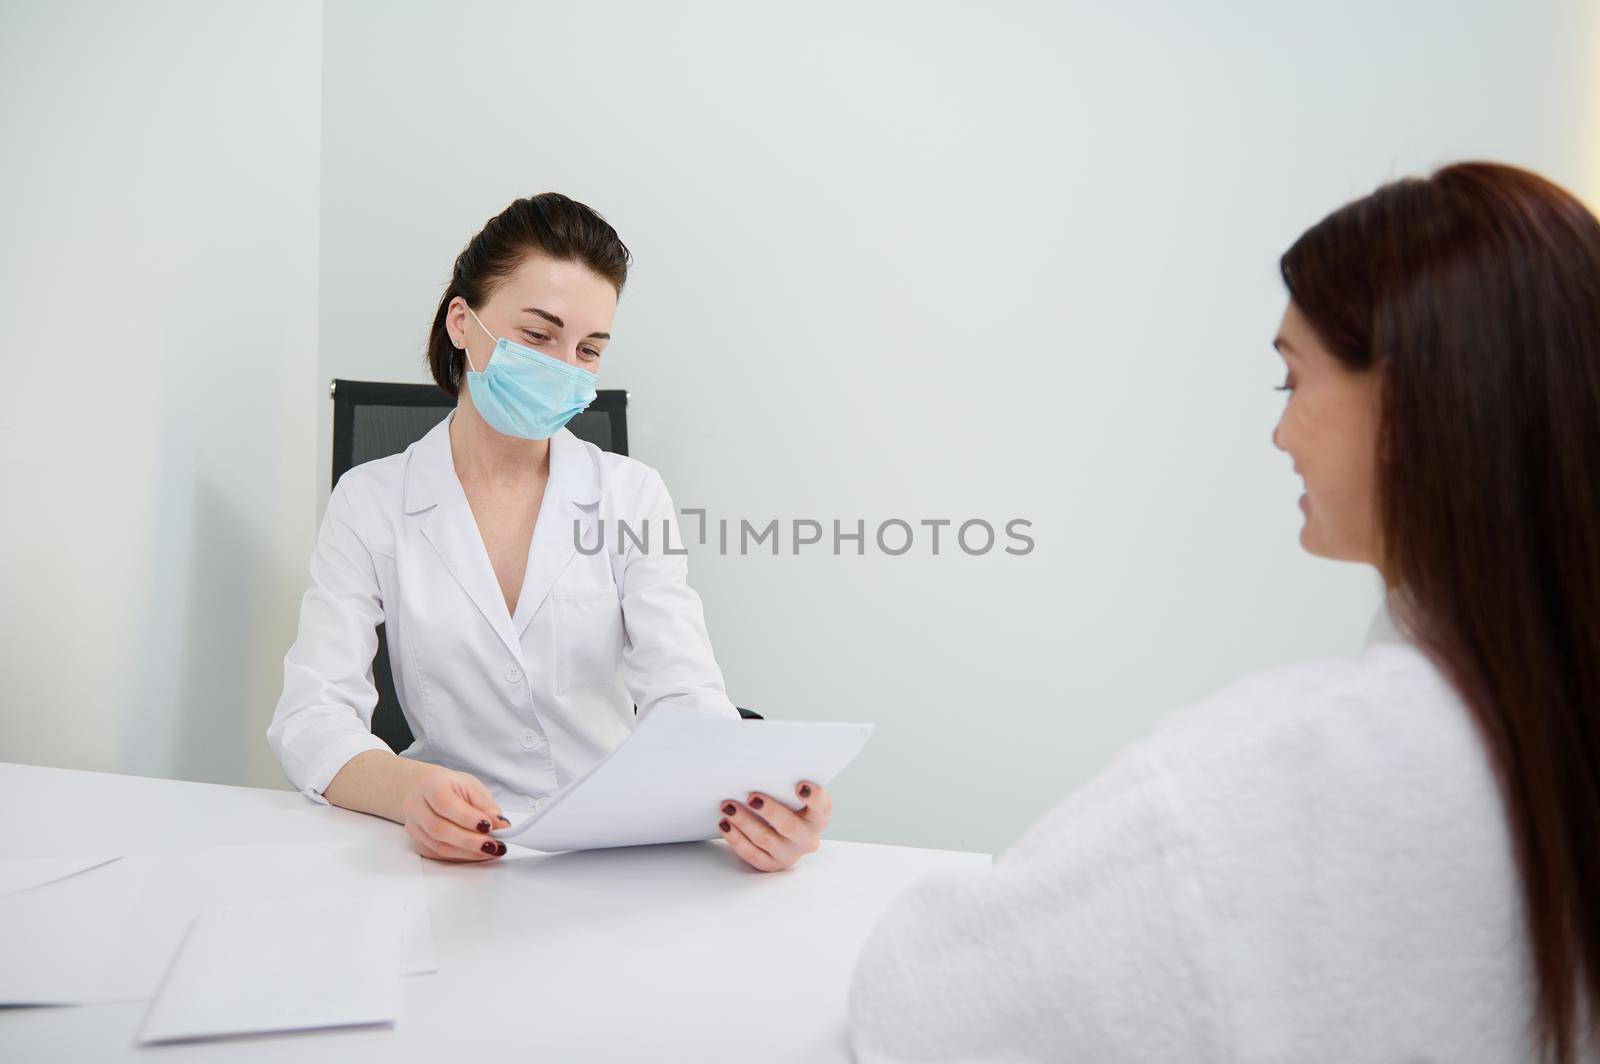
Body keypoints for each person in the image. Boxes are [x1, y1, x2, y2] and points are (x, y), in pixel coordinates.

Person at [847, 163, 1600, 1062]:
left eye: (1292, 382)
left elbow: (932, 1003)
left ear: (1401, 404)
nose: (1280, 433)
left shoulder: (1284, 777)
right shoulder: (1544, 715)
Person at [267, 193, 832, 872]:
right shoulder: (371, 501)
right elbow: (310, 715)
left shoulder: (630, 495)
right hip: (459, 851)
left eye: (589, 349)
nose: (564, 367)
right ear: (461, 323)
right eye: (539, 336)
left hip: (620, 844)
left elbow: (686, 697)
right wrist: (410, 790)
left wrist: (755, 805)